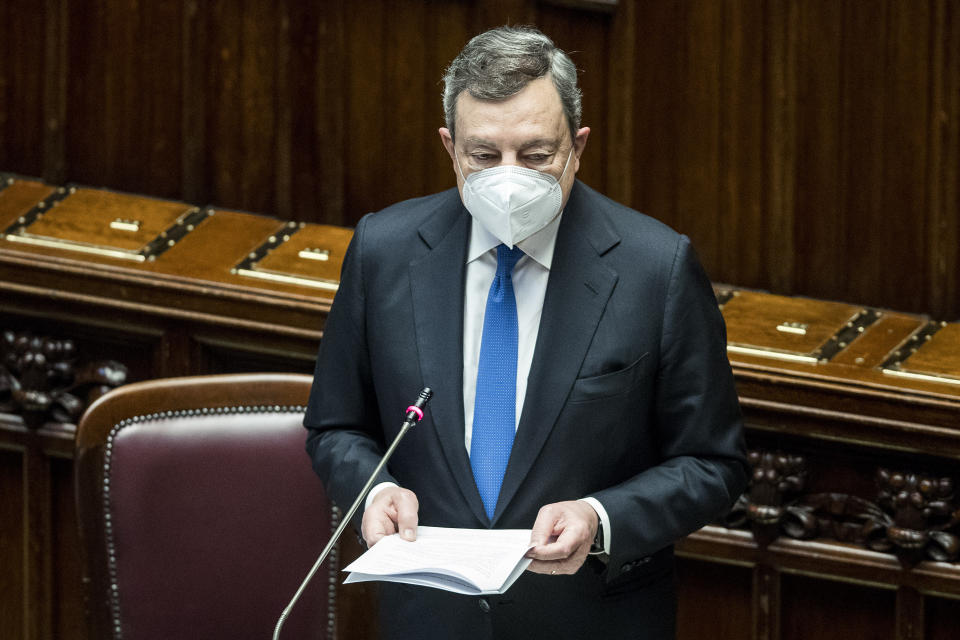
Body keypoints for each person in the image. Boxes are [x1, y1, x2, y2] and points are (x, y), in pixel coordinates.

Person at [305, 25, 747, 639]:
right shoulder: (384, 250)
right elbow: (335, 425)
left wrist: (600, 518)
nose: (509, 177)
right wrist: (373, 490)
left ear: (578, 146)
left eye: (537, 155)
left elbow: (712, 463)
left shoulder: (656, 268)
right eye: (484, 156)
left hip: (590, 620)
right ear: (449, 148)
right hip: (431, 622)